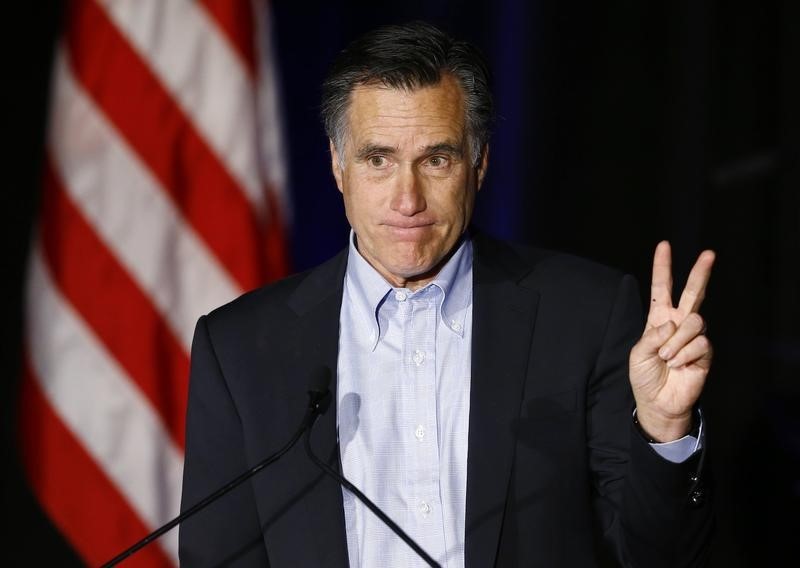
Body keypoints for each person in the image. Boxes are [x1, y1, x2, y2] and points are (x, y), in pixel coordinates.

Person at [179, 21, 715, 567]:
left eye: (437, 159)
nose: (407, 198)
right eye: (378, 159)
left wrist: (664, 431)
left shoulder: (586, 317)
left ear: (479, 166)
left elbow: (658, 558)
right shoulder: (241, 348)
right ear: (339, 166)